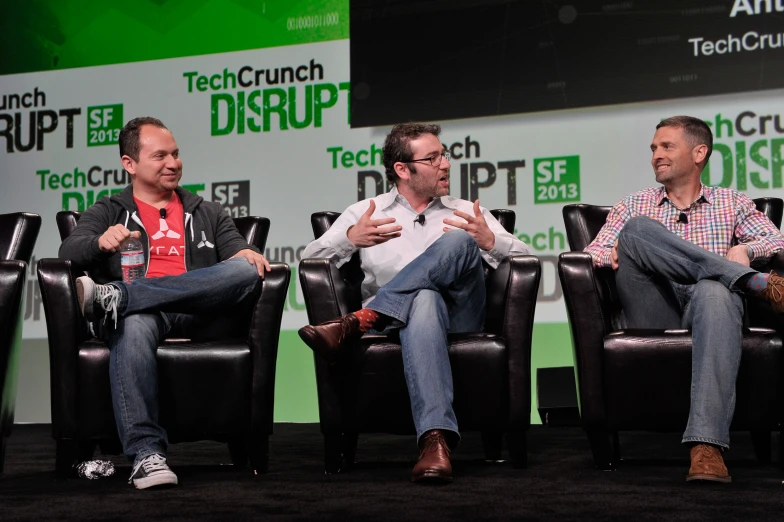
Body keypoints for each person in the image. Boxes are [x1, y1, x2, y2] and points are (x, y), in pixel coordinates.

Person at [297, 122, 531, 483]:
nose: (446, 165)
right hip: (400, 325)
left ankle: (363, 318)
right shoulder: (367, 211)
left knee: (459, 242)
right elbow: (310, 258)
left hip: (461, 318)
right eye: (433, 158)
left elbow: (527, 257)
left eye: (444, 155)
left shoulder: (465, 210)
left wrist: (488, 241)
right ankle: (434, 441)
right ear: (402, 169)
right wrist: (349, 238)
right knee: (423, 298)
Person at [59, 116, 270, 489]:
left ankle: (118, 298)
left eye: (175, 154)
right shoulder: (109, 209)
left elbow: (240, 256)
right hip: (146, 315)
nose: (173, 163)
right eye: (160, 156)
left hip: (200, 312)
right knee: (134, 321)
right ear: (130, 164)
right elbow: (70, 250)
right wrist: (99, 242)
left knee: (245, 271)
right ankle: (146, 455)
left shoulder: (207, 211)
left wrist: (246, 253)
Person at [584, 115, 784, 483]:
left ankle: (706, 448)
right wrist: (609, 252)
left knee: (712, 288)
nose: (655, 155)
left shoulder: (732, 202)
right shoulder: (635, 204)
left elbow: (776, 242)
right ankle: (750, 282)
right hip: (654, 309)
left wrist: (746, 249)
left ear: (699, 153)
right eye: (653, 148)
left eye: (666, 147)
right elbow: (592, 251)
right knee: (637, 232)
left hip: (713, 311)